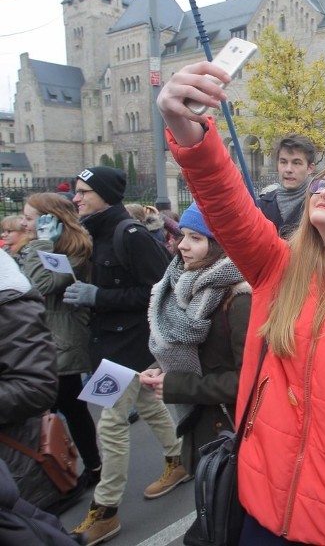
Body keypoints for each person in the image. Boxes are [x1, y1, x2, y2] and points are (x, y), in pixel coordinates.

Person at [156, 60, 325, 546]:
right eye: (321, 184)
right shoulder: (278, 270)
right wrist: (187, 130)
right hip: (258, 503)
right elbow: (227, 204)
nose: (324, 191)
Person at [64, 167, 184, 545]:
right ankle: (178, 459)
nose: (76, 198)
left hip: (129, 349)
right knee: (147, 405)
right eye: (76, 192)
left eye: (84, 192)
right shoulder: (96, 232)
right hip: (110, 346)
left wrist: (97, 296)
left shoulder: (128, 234)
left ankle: (106, 510)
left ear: (104, 195)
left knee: (111, 424)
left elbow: (159, 289)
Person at [139, 203, 251, 472]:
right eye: (182, 235)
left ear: (220, 244)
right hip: (206, 430)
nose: (181, 246)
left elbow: (249, 381)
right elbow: (194, 352)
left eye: (195, 238)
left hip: (231, 433)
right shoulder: (180, 285)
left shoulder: (239, 299)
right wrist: (161, 369)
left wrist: (177, 385)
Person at [18, 193, 102, 488]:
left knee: (66, 408)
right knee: (61, 409)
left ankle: (86, 469)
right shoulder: (41, 247)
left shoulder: (75, 251)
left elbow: (41, 285)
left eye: (30, 218)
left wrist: (42, 244)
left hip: (62, 341)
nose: (24, 223)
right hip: (41, 340)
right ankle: (69, 469)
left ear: (51, 220)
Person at [0, 249, 67, 512]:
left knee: (109, 422)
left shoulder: (9, 298)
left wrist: (42, 243)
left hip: (14, 470)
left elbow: (36, 387)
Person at [257, 134, 317, 238]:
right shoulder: (261, 206)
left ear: (310, 169)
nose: (288, 169)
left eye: (296, 163)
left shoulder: (320, 204)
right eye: (283, 162)